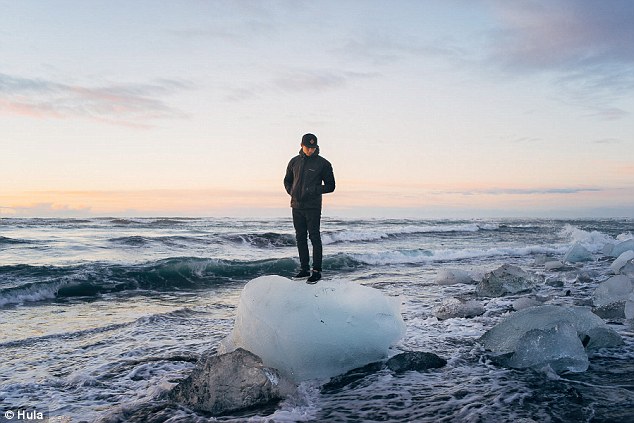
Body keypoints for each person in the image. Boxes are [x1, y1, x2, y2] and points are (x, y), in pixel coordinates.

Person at [284, 133, 335, 283]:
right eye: (308, 147)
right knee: (300, 238)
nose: (311, 150)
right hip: (296, 206)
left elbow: (331, 186)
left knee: (314, 237)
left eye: (313, 147)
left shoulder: (323, 164)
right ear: (301, 145)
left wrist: (313, 190)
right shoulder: (294, 162)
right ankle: (304, 269)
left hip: (312, 207)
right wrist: (291, 192)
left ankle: (317, 270)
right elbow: (287, 180)